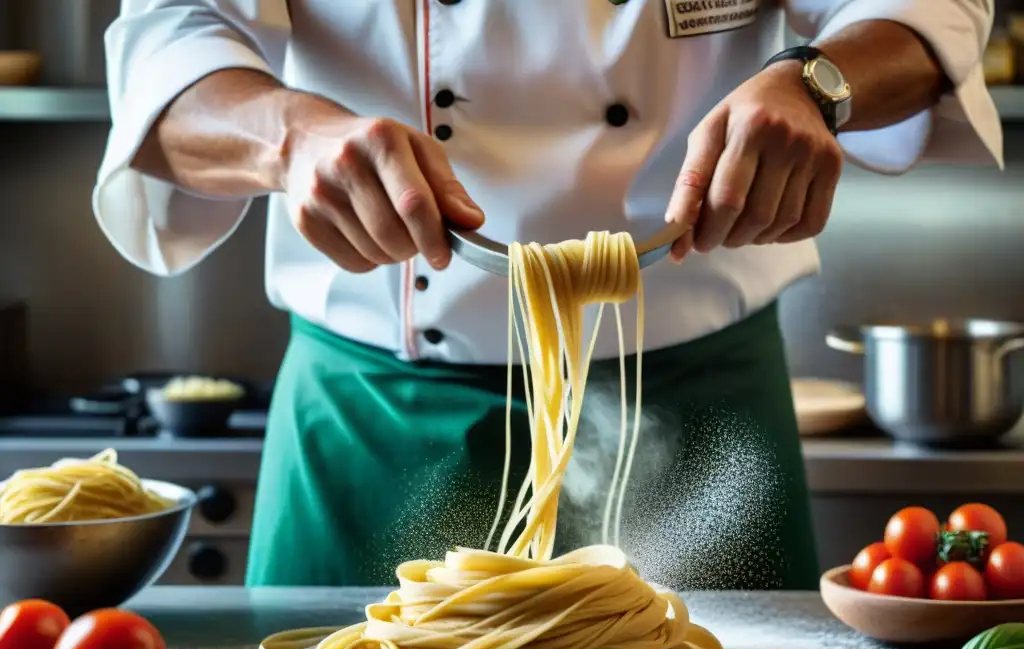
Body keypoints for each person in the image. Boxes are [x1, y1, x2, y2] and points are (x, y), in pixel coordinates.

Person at [95, 1, 1001, 590]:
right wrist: (288, 137)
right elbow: (171, 39)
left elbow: (926, 6)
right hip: (378, 418)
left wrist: (817, 83)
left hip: (700, 404)